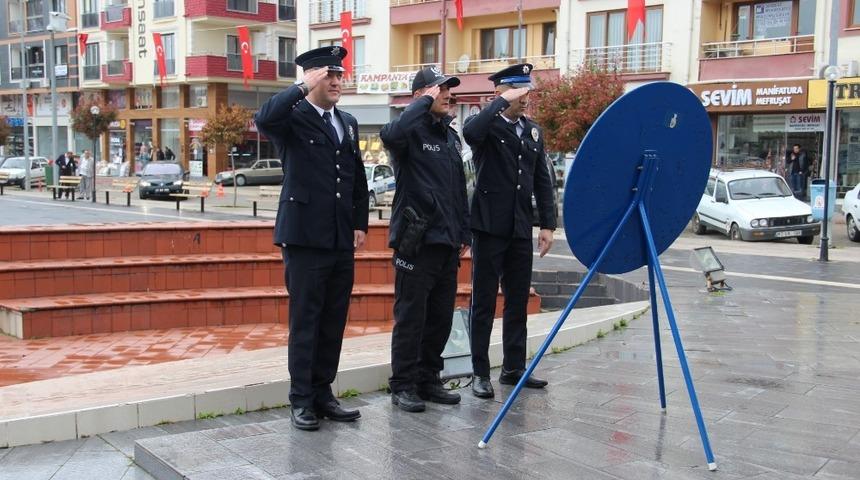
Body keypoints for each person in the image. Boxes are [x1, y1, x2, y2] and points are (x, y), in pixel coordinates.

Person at [255, 46, 369, 431]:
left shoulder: (348, 122)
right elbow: (264, 117)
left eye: (339, 75)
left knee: (333, 319)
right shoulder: (293, 116)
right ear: (311, 77)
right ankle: (301, 399)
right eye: (328, 75)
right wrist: (301, 88)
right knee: (306, 320)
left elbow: (356, 178)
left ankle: (323, 393)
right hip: (304, 237)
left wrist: (360, 222)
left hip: (340, 237)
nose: (336, 82)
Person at [463, 63, 557, 399]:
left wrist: (547, 223)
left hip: (519, 227)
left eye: (527, 90)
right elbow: (470, 133)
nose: (524, 97)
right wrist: (500, 104)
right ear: (500, 92)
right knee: (484, 302)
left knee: (518, 301)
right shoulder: (486, 126)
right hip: (488, 226)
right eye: (517, 90)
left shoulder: (532, 132)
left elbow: (542, 179)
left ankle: (514, 369)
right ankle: (479, 372)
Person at [380, 67, 470, 413]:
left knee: (440, 318)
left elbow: (459, 190)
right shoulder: (409, 132)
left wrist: (464, 231)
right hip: (416, 242)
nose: (449, 95)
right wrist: (421, 103)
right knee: (411, 317)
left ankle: (429, 378)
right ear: (421, 95)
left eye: (451, 91)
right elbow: (391, 133)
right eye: (441, 90)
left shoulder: (449, 136)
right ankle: (402, 384)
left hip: (447, 243)